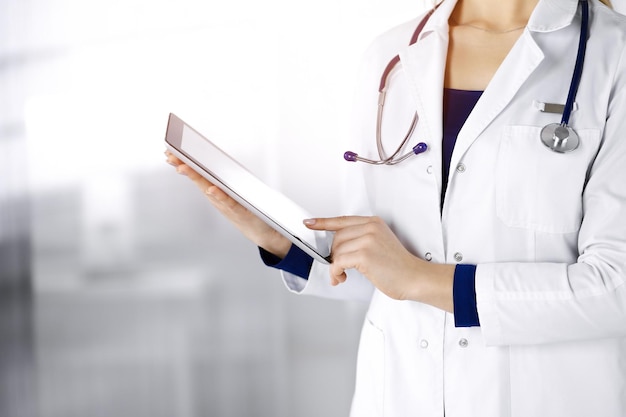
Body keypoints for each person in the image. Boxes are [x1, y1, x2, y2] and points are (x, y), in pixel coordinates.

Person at [166, 0, 626, 415]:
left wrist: (418, 277)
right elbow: (382, 270)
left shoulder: (613, 54)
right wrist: (281, 240)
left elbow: (614, 288)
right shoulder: (390, 57)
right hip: (402, 395)